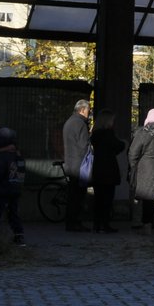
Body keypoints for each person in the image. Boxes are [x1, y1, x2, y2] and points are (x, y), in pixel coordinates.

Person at [88, 109, 126, 233]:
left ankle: (97, 224)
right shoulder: (108, 134)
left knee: (98, 198)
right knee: (107, 198)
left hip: (98, 168)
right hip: (109, 169)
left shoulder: (95, 134)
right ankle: (105, 224)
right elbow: (119, 145)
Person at [0, 127, 26, 246]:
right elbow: (22, 171)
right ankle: (19, 236)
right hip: (15, 189)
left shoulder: (2, 157)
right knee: (13, 213)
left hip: (2, 190)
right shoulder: (18, 156)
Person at [61, 98, 91, 232]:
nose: (89, 114)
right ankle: (76, 223)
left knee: (72, 196)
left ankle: (70, 222)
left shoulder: (69, 122)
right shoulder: (81, 124)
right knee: (78, 197)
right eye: (88, 111)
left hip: (70, 163)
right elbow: (84, 145)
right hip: (79, 165)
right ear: (83, 110)